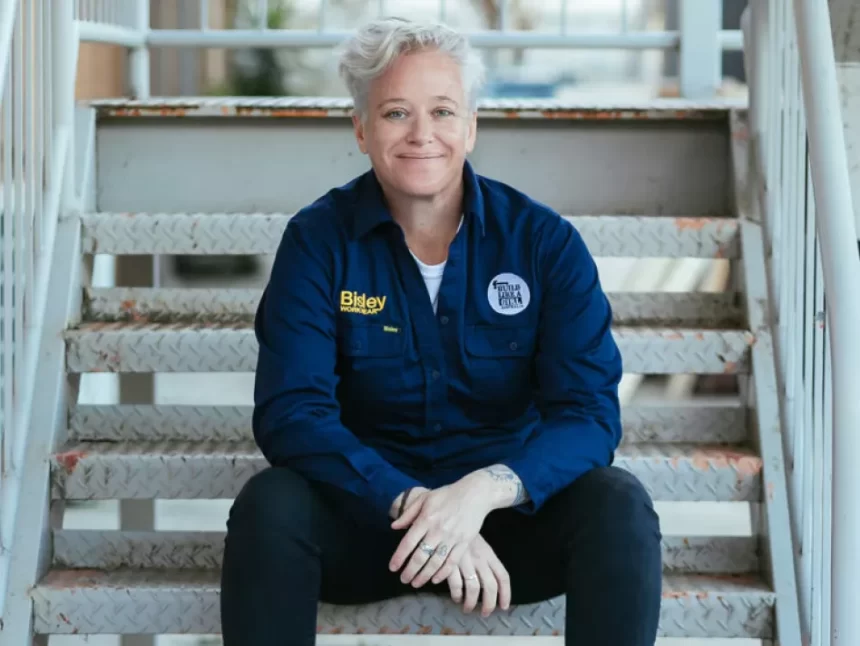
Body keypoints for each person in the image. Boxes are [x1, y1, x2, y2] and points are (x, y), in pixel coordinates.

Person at [220, 17, 662, 646]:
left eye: (443, 111)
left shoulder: (543, 243)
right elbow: (292, 413)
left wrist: (481, 494)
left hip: (502, 533)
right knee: (270, 506)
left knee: (617, 504)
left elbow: (589, 415)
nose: (422, 135)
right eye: (397, 113)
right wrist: (412, 503)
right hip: (369, 524)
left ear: (472, 125)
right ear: (362, 128)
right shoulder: (318, 242)